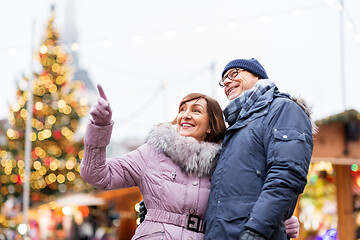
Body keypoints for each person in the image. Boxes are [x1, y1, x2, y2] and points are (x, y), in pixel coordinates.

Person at [81, 85, 300, 239]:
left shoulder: (225, 165)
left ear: (211, 126)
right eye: (182, 109)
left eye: (196, 111)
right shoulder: (152, 153)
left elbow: (246, 202)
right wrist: (100, 127)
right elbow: (97, 174)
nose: (185, 115)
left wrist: (280, 222)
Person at [204, 58, 314, 240]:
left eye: (234, 73)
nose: (227, 82)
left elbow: (287, 174)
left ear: (258, 76)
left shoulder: (282, 109)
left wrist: (257, 229)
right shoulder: (234, 129)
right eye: (224, 80)